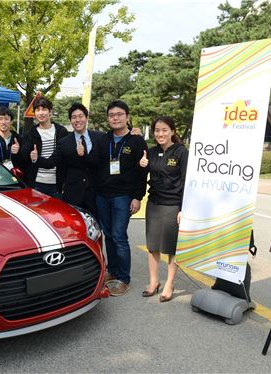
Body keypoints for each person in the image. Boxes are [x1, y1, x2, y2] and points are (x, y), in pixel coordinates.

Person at [94, 100, 147, 296]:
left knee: (119, 236)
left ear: (127, 117)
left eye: (119, 114)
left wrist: (137, 197)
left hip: (123, 197)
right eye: (111, 115)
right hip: (102, 195)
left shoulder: (137, 141)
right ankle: (112, 270)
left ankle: (124, 278)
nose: (115, 118)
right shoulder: (103, 138)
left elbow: (142, 172)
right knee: (108, 235)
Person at [139, 116, 188, 302]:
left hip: (173, 205)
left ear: (172, 132)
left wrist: (183, 208)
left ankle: (169, 283)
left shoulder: (181, 152)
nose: (160, 134)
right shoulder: (150, 152)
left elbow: (186, 182)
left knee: (171, 247)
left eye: (164, 130)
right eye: (157, 130)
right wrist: (142, 166)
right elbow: (143, 176)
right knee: (152, 246)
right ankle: (154, 281)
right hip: (154, 204)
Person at [35, 103, 102, 215]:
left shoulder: (100, 137)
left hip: (95, 193)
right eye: (74, 117)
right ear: (70, 120)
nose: (77, 120)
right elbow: (51, 162)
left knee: (96, 228)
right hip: (73, 194)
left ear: (86, 118)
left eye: (81, 116)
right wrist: (36, 158)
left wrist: (132, 133)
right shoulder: (65, 142)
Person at [19, 97, 68, 198]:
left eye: (44, 109)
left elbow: (62, 158)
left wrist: (37, 159)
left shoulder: (61, 132)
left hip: (56, 184)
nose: (41, 113)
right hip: (36, 184)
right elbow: (23, 158)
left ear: (50, 112)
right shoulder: (30, 133)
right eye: (37, 110)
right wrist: (17, 152)